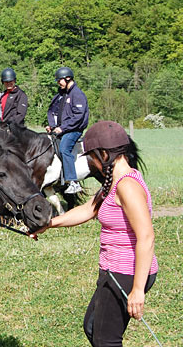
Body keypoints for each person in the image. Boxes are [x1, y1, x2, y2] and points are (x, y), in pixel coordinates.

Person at [32, 121, 158, 346]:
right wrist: (49, 223)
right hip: (114, 269)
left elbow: (146, 236)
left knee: (105, 340)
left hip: (127, 271)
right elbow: (89, 209)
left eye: (91, 156)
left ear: (104, 154)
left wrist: (138, 290)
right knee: (92, 326)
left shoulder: (127, 186)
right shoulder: (114, 182)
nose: (91, 162)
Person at [45, 66, 89, 194]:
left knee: (64, 148)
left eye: (60, 80)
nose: (58, 83)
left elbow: (78, 116)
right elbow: (53, 111)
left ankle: (73, 182)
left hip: (73, 129)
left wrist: (63, 128)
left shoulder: (77, 94)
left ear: (68, 78)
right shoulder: (61, 94)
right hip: (62, 129)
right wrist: (52, 126)